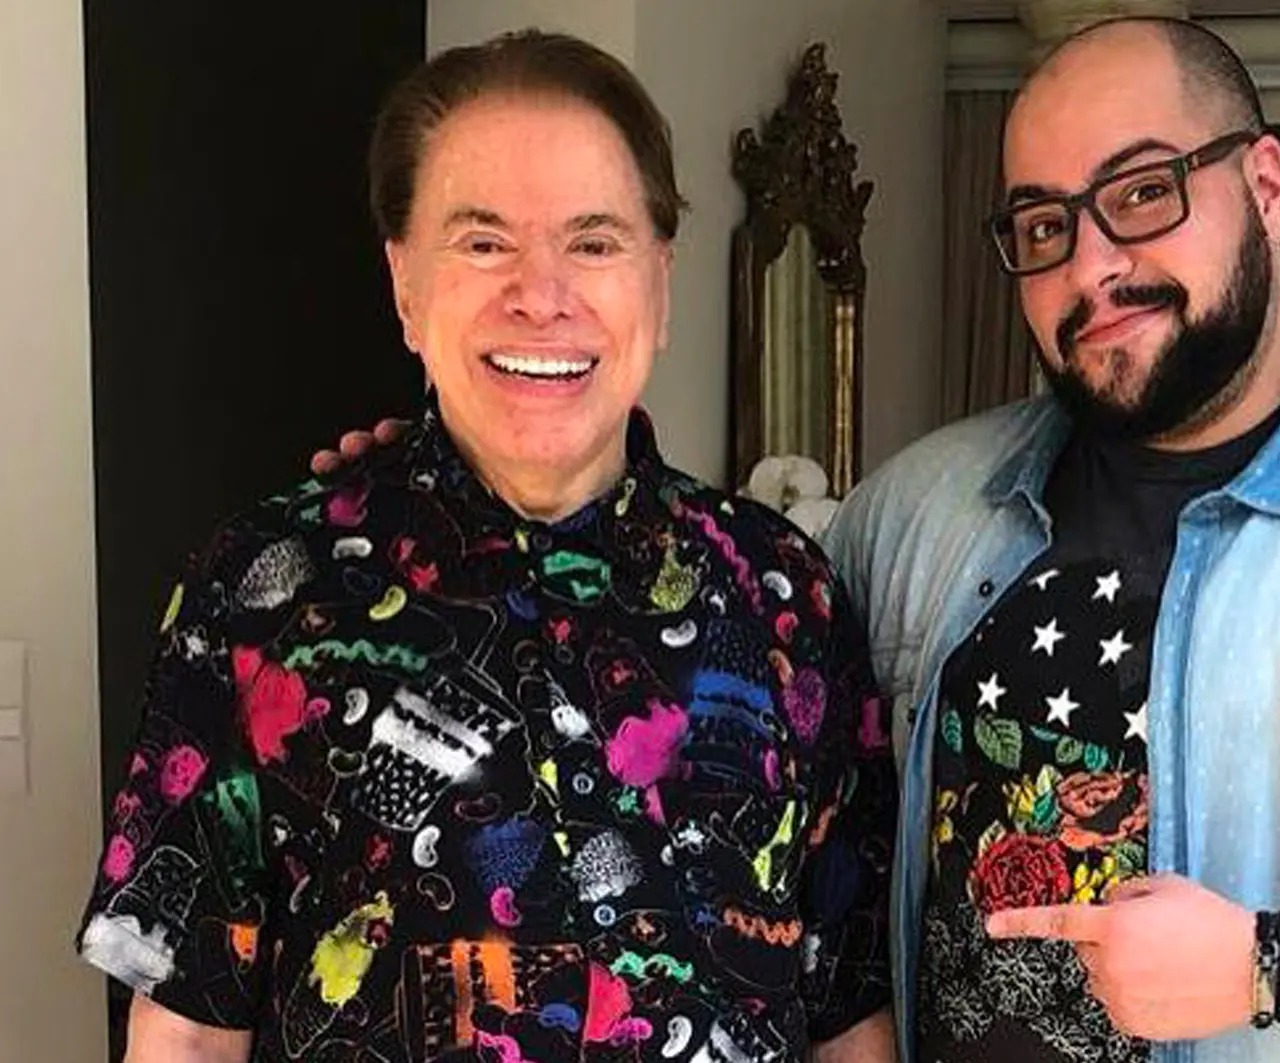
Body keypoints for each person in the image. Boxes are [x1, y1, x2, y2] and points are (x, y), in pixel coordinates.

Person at [313, 16, 1280, 1063]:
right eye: (1044, 224)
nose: (1092, 263)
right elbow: (710, 658)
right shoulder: (920, 508)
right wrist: (457, 482)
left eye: (1143, 192)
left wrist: (1274, 962)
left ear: (1269, 188)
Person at [77, 30, 896, 1063]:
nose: (541, 294)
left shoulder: (787, 596)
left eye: (594, 243)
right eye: (482, 243)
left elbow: (846, 1013)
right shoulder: (257, 593)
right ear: (405, 286)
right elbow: (188, 1029)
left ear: (659, 284)